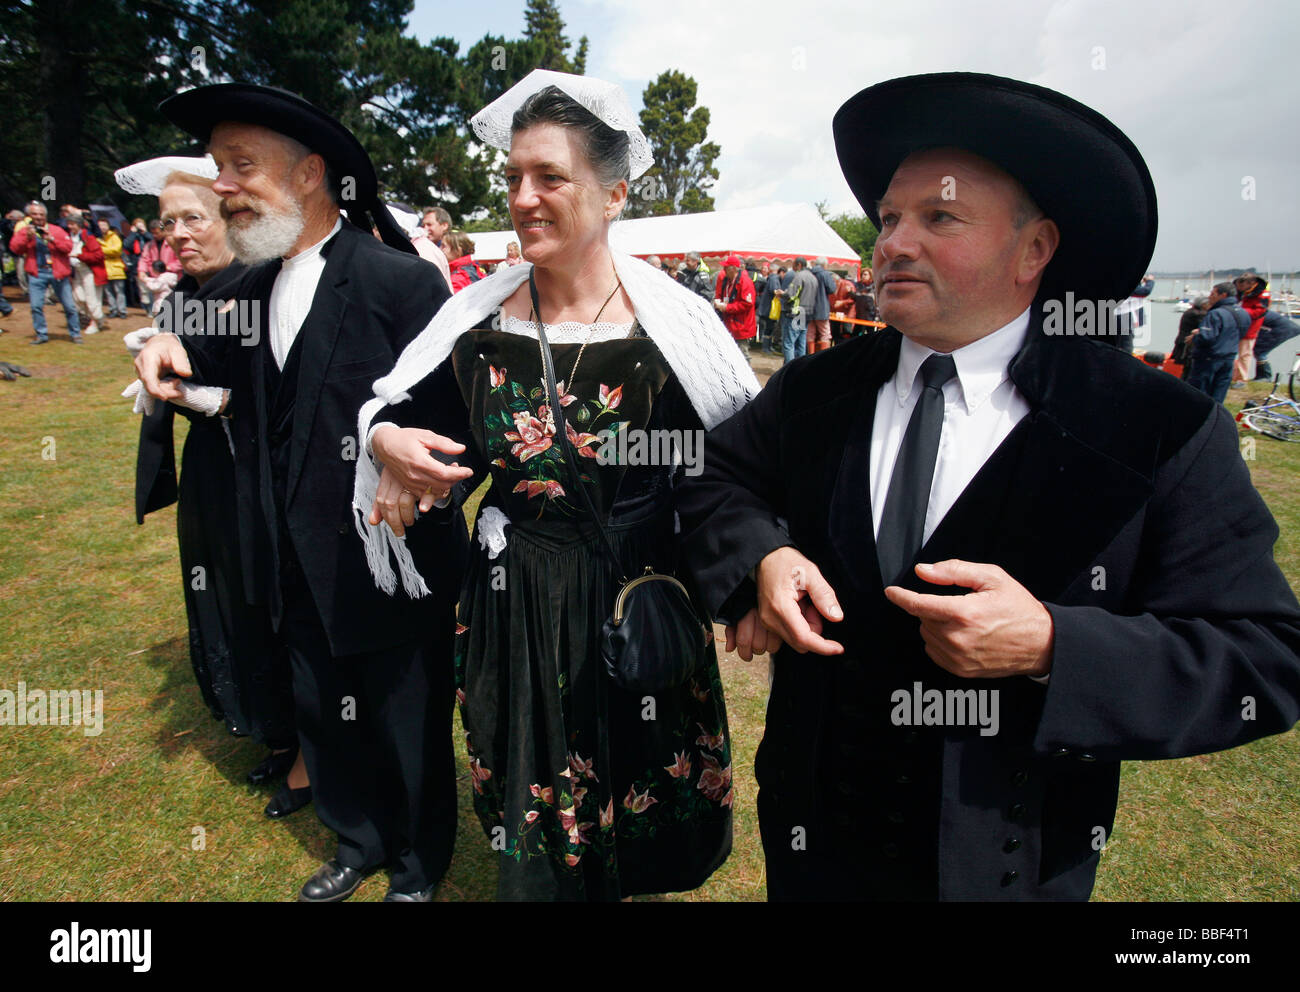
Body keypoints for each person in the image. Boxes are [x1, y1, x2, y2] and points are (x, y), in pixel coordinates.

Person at [675, 72, 1300, 902]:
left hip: (1007, 866)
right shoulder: (814, 391)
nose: (892, 241)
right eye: (891, 218)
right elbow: (713, 478)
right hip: (813, 841)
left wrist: (1053, 646)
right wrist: (761, 556)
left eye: (938, 217)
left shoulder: (1154, 427)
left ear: (1033, 250)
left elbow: (1263, 657)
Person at [355, 69, 756, 901]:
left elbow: (728, 472)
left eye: (550, 177)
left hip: (634, 594)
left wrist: (741, 580)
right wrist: (387, 439)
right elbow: (394, 415)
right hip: (516, 599)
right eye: (513, 179)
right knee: (538, 810)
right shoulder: (476, 326)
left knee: (638, 782)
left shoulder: (671, 330)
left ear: (612, 196)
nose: (524, 198)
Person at [133, 82, 467, 902]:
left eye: (241, 166)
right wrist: (163, 342)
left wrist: (402, 460)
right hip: (288, 558)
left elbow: (452, 419)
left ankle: (418, 865)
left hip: (389, 561)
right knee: (322, 710)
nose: (221, 187)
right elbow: (198, 353)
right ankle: (355, 840)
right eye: (219, 168)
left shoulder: (400, 284)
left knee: (402, 720)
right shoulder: (248, 288)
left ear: (311, 174)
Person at [115, 154, 306, 815]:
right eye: (168, 222)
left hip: (264, 478)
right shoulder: (187, 296)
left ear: (232, 217)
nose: (178, 233)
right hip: (213, 476)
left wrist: (198, 393)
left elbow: (274, 396)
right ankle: (275, 734)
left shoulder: (263, 285)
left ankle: (309, 754)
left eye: (193, 217)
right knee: (226, 595)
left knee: (272, 601)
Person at [9, 201, 82, 344]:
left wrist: (52, 239)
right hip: (37, 273)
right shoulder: (25, 231)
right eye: (35, 214)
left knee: (69, 306)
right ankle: (41, 334)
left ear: (46, 216)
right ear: (29, 215)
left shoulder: (56, 230)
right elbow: (15, 249)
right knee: (36, 306)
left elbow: (68, 248)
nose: (38, 217)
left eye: (41, 214)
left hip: (58, 272)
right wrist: (27, 237)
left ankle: (75, 333)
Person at [1187, 282, 1248, 403]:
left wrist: (1195, 337)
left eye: (1213, 294)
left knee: (1199, 395)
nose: (1210, 296)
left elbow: (1206, 338)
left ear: (1223, 295)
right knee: (1219, 394)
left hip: (1209, 359)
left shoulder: (1216, 313)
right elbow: (1243, 333)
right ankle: (1215, 418)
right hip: (1229, 357)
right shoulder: (1242, 312)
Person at [66, 213, 106, 334]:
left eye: (72, 224)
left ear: (78, 224)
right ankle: (98, 318)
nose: (70, 226)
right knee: (78, 297)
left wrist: (79, 256)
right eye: (69, 224)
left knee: (91, 298)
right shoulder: (68, 237)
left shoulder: (88, 237)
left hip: (89, 271)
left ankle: (95, 322)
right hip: (76, 271)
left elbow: (99, 255)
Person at [713, 252, 757, 362]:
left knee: (743, 355)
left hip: (741, 325)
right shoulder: (727, 281)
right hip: (731, 324)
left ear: (732, 269)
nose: (723, 269)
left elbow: (747, 304)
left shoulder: (745, 282)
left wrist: (727, 307)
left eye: (725, 267)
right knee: (730, 354)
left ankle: (746, 377)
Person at [776, 256, 817, 365]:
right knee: (801, 343)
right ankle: (800, 368)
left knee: (789, 344)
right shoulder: (813, 277)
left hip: (796, 313)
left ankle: (788, 369)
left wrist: (781, 294)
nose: (792, 267)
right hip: (807, 314)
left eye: (794, 264)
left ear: (798, 265)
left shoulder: (799, 276)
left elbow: (791, 295)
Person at [1232, 272, 1270, 388]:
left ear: (1250, 284)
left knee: (1245, 353)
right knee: (1233, 352)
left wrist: (1241, 312)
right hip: (1237, 325)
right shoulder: (1242, 293)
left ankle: (1242, 379)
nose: (1239, 289)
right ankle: (1234, 376)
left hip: (1250, 327)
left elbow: (1260, 311)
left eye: (1240, 286)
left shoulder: (1263, 294)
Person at [1253, 308, 1300, 381]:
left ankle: (1265, 377)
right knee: (1258, 348)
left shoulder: (1252, 313)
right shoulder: (1254, 311)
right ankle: (1262, 376)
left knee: (1260, 350)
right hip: (1284, 327)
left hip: (1283, 329)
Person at [97, 218, 128, 319]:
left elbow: (116, 250)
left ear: (108, 226)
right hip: (105, 268)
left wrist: (102, 250)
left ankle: (122, 310)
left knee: (119, 291)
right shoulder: (98, 238)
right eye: (100, 225)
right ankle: (113, 309)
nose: (102, 227)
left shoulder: (114, 237)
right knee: (108, 292)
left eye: (104, 225)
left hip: (116, 268)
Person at [807, 256, 836, 353]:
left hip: (809, 308)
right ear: (824, 265)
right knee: (825, 333)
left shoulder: (809, 273)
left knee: (810, 334)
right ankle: (824, 357)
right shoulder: (825, 274)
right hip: (822, 308)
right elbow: (832, 289)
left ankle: (810, 355)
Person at [122, 218, 148, 310]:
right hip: (136, 264)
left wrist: (144, 232)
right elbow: (126, 245)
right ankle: (146, 307)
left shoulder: (146, 235)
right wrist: (133, 233)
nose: (139, 227)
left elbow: (151, 239)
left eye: (141, 224)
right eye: (137, 225)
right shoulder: (132, 236)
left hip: (149, 263)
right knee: (141, 288)